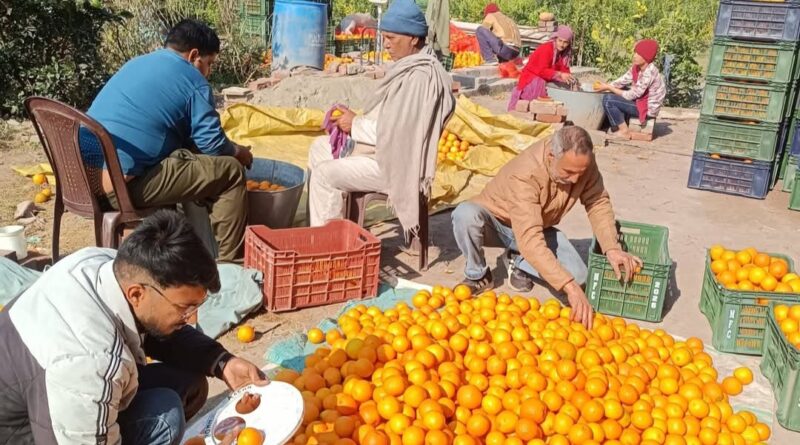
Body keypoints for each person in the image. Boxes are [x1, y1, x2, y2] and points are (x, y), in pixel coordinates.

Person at [0, 210, 268, 444]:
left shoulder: (106, 265)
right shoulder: (90, 364)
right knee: (166, 416)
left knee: (188, 384)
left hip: (49, 397)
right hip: (26, 432)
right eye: (184, 308)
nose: (192, 318)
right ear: (137, 294)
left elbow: (155, 328)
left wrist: (222, 362)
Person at [80, 19, 253, 262]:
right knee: (231, 171)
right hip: (120, 188)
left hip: (81, 181)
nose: (209, 72)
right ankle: (230, 266)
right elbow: (212, 144)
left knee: (185, 159)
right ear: (194, 55)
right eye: (209, 63)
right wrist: (238, 151)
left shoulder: (137, 63)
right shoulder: (193, 80)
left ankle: (177, 250)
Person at [451, 126, 642, 328]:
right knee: (465, 215)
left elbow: (597, 201)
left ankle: (518, 257)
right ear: (552, 156)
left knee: (579, 276)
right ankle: (478, 274)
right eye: (568, 172)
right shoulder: (526, 174)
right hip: (498, 225)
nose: (576, 180)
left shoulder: (582, 163)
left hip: (538, 228)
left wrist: (611, 248)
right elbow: (530, 238)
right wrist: (569, 288)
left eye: (580, 173)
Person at [308, 0, 455, 243]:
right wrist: (355, 120)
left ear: (414, 39)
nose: (386, 44)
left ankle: (328, 248)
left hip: (397, 166)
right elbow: (392, 119)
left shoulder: (420, 77)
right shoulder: (409, 68)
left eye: (392, 38)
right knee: (319, 148)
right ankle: (335, 229)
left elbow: (399, 134)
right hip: (382, 151)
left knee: (324, 174)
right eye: (384, 37)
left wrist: (355, 124)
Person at [596, 39, 667, 139]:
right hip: (641, 101)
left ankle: (623, 131)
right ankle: (618, 127)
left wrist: (609, 88)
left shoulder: (649, 72)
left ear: (646, 57)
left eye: (638, 54)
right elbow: (622, 80)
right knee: (619, 90)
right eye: (635, 53)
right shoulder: (637, 68)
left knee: (609, 100)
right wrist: (606, 86)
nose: (634, 56)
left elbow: (632, 95)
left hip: (647, 109)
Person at [507, 25, 576, 111]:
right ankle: (533, 108)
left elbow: (564, 69)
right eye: (560, 41)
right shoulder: (547, 48)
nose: (562, 45)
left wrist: (570, 79)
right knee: (540, 83)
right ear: (555, 38)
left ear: (569, 43)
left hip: (544, 76)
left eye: (565, 42)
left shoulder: (564, 53)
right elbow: (542, 71)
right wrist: (559, 74)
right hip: (531, 78)